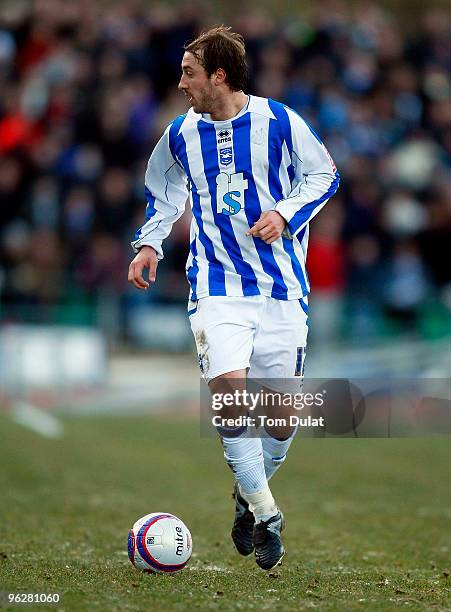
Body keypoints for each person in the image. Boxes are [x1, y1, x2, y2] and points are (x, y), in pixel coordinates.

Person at [128, 26, 339, 570]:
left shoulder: (280, 121)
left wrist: (285, 214)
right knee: (229, 390)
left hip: (281, 288)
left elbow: (324, 175)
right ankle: (267, 513)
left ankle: (246, 496)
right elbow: (162, 189)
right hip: (217, 286)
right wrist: (150, 242)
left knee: (281, 418)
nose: (181, 84)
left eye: (189, 73)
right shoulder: (180, 135)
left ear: (218, 75)